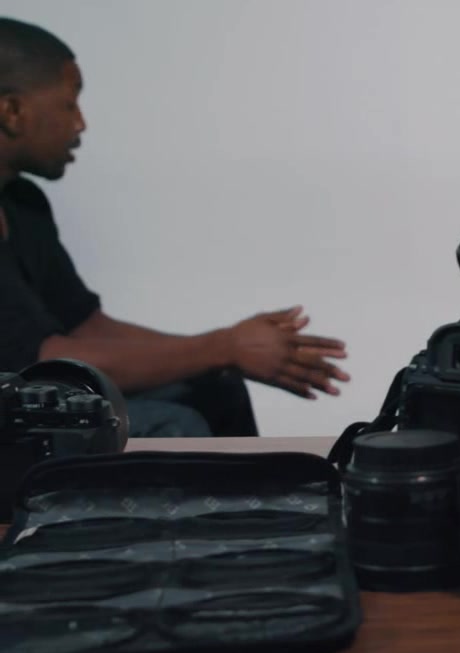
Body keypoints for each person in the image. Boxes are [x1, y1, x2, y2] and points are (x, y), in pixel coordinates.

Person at [0, 17, 349, 437]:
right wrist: (223, 346)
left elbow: (87, 328)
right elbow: (43, 364)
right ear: (12, 111)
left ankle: (253, 485)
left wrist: (225, 352)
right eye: (69, 104)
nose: (81, 124)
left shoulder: (24, 204)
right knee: (173, 424)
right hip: (15, 412)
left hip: (26, 408)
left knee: (216, 387)